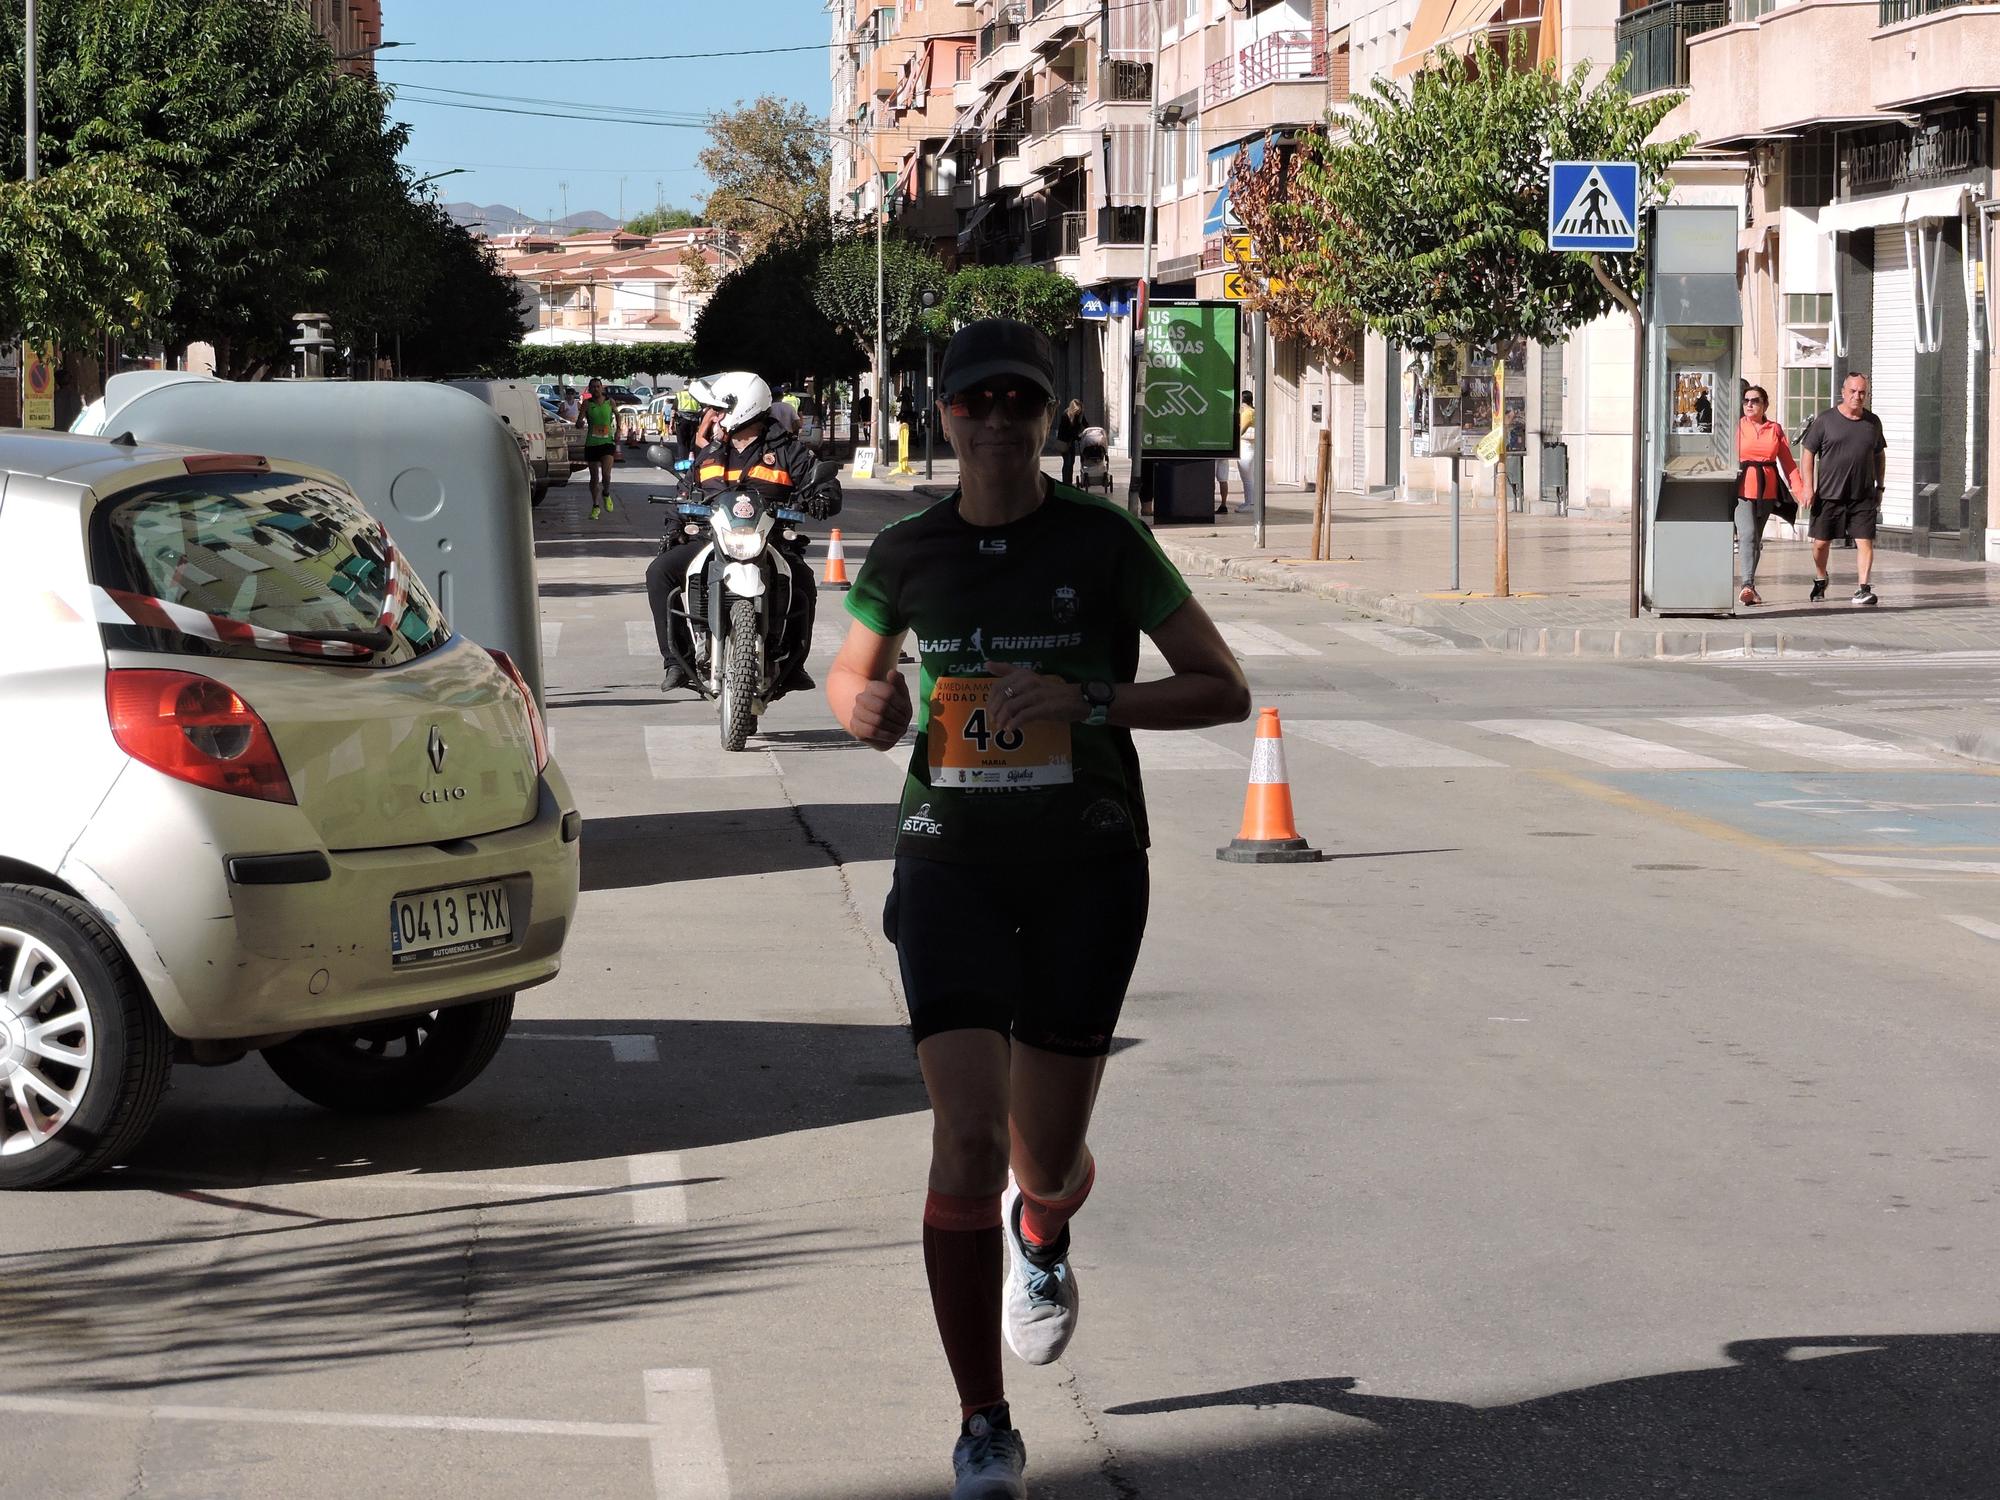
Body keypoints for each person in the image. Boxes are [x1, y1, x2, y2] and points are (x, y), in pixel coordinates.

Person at [825, 319, 1250, 1500]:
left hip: (1087, 865)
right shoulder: (906, 551)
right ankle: (981, 1426)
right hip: (948, 863)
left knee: (1039, 1154)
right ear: (946, 417)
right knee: (963, 1134)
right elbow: (849, 677)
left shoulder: (1102, 540)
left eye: (1021, 400)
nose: (1000, 419)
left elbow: (1223, 688)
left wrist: (1091, 701)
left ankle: (1044, 1225)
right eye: (978, 402)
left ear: (1047, 417)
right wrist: (865, 710)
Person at [645, 371, 834, 695]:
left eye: (719, 410)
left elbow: (823, 482)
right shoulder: (712, 451)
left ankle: (793, 664)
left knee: (802, 579)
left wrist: (823, 496)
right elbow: (686, 490)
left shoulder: (788, 451)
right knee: (659, 572)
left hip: (769, 540)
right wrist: (676, 521)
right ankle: (678, 661)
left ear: (742, 408)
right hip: (710, 537)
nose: (713, 417)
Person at [1799, 372, 1887, 607]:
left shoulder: (1872, 422)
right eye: (1853, 391)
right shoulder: (1825, 420)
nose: (1857, 396)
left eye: (1862, 393)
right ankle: (1820, 577)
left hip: (1863, 495)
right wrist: (1808, 486)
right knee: (1820, 544)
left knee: (1865, 541)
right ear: (1843, 392)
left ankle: (1863, 588)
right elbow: (1808, 452)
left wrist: (1880, 486)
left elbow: (1879, 455)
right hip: (1829, 495)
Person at [1733, 385, 1802, 608]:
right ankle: (1747, 583)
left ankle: (1750, 587)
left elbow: (1788, 463)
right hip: (1742, 491)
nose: (1750, 404)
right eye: (1746, 401)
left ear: (1765, 405)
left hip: (1767, 492)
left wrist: (1800, 489)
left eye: (1755, 400)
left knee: (1756, 540)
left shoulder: (1774, 429)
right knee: (1748, 534)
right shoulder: (1738, 426)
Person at [577, 378, 619, 520]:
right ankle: (595, 506)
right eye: (593, 387)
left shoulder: (610, 402)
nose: (595, 389)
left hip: (607, 442)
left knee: (606, 474)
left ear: (602, 388)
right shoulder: (587, 404)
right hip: (592, 443)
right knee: (594, 477)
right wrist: (579, 423)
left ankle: (606, 493)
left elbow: (618, 415)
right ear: (589, 389)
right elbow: (580, 420)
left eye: (598, 386)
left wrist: (618, 431)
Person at [1233, 390, 1257, 513]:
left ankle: (1249, 503)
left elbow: (1240, 431)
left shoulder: (1247, 413)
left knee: (1246, 478)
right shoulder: (1254, 411)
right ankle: (1250, 502)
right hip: (1251, 447)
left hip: (1245, 447)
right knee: (1250, 478)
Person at [1055, 398, 1086, 486]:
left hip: (1071, 441)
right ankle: (1065, 482)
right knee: (1067, 462)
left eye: (1079, 410)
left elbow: (1085, 423)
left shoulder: (1079, 415)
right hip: (1065, 441)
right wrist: (1077, 436)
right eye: (1077, 410)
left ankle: (1069, 482)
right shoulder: (1065, 415)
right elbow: (1065, 430)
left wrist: (1088, 430)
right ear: (1073, 409)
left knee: (1071, 462)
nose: (1078, 412)